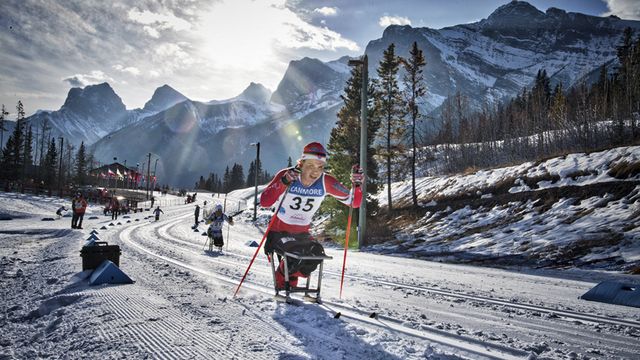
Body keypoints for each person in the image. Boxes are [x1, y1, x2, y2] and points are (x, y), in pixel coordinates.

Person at [260, 142, 364, 290]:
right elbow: (265, 201)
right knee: (295, 254)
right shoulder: (288, 175)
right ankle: (282, 280)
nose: (316, 172)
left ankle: (290, 277)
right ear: (301, 163)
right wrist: (283, 182)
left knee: (316, 255)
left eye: (320, 167)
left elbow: (354, 202)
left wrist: (357, 185)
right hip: (278, 231)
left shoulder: (326, 181)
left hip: (302, 233)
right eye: (311, 165)